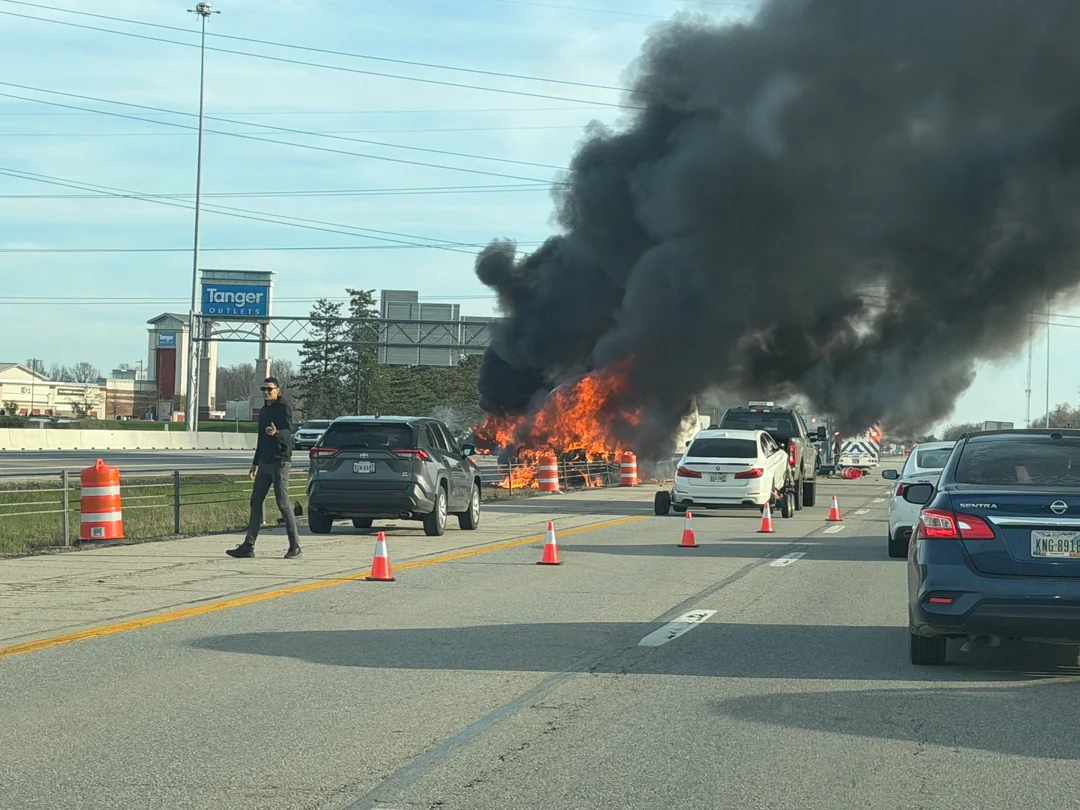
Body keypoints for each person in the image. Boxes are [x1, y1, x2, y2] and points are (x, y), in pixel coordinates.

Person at [226, 377, 302, 559]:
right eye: (264, 389)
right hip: (265, 462)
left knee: (283, 504)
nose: (267, 393)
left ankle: (295, 546)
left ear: (277, 390)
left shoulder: (284, 407)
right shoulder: (264, 411)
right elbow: (261, 439)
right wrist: (255, 463)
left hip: (281, 461)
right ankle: (248, 545)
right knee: (255, 501)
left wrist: (277, 434)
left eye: (270, 389)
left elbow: (290, 432)